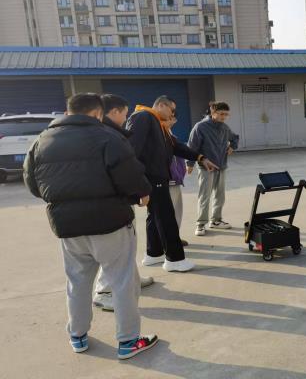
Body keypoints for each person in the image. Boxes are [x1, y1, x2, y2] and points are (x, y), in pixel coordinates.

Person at [23, 93, 158, 359]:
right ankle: (128, 341)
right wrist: (142, 193)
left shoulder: (42, 140)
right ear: (98, 113)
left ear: (67, 111)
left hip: (68, 226)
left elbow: (33, 184)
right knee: (122, 282)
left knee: (77, 282)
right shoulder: (109, 137)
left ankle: (78, 336)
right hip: (111, 223)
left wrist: (64, 200)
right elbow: (132, 178)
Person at [127, 95, 218, 273]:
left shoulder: (157, 123)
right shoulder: (143, 117)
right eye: (172, 110)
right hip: (152, 177)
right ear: (161, 105)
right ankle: (175, 260)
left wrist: (200, 157)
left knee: (155, 216)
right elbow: (131, 150)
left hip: (156, 177)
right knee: (166, 217)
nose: (173, 114)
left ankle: (154, 254)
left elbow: (175, 146)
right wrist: (138, 180)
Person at [92, 94, 155, 312]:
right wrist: (142, 191)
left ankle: (132, 279)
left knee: (127, 246)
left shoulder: (100, 132)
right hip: (110, 202)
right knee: (116, 250)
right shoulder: (109, 135)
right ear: (114, 111)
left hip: (111, 199)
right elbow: (128, 168)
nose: (126, 119)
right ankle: (104, 291)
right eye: (125, 114)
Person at [187, 101, 239, 236]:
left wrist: (232, 146)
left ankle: (216, 220)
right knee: (205, 196)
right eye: (221, 114)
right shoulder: (200, 127)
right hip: (206, 168)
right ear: (213, 112)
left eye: (226, 114)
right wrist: (190, 164)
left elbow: (235, 138)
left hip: (221, 166)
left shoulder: (224, 128)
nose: (224, 117)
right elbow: (192, 146)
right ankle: (200, 224)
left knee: (220, 195)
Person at [165, 110, 189, 245]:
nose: (170, 121)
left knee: (176, 210)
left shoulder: (170, 134)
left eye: (172, 118)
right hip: (168, 180)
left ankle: (174, 238)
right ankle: (170, 241)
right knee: (170, 212)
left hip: (176, 179)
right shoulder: (160, 135)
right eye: (167, 118)